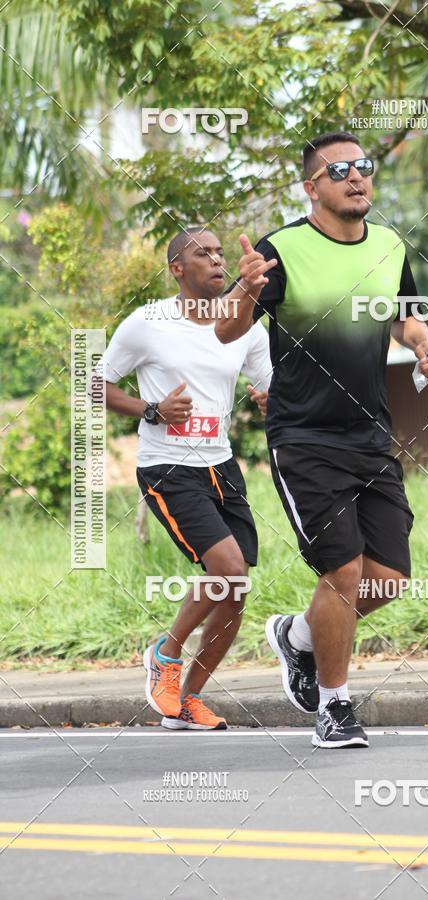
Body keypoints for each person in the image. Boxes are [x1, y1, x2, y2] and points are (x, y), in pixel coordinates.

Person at [216, 132, 428, 748]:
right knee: (342, 570)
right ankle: (335, 707)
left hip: (370, 434)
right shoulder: (281, 250)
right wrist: (246, 289)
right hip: (305, 437)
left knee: (387, 578)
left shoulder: (390, 242)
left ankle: (296, 637)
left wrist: (420, 343)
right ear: (311, 187)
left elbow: (400, 311)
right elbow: (227, 331)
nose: (356, 177)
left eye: (363, 167)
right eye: (338, 170)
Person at [98, 226, 271, 730]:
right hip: (168, 466)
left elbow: (271, 389)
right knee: (230, 571)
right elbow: (95, 384)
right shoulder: (147, 322)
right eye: (204, 254)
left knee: (235, 590)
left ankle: (189, 698)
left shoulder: (246, 327)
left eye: (220, 253)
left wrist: (267, 399)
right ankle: (165, 654)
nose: (217, 261)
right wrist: (152, 409)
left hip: (221, 466)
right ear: (177, 269)